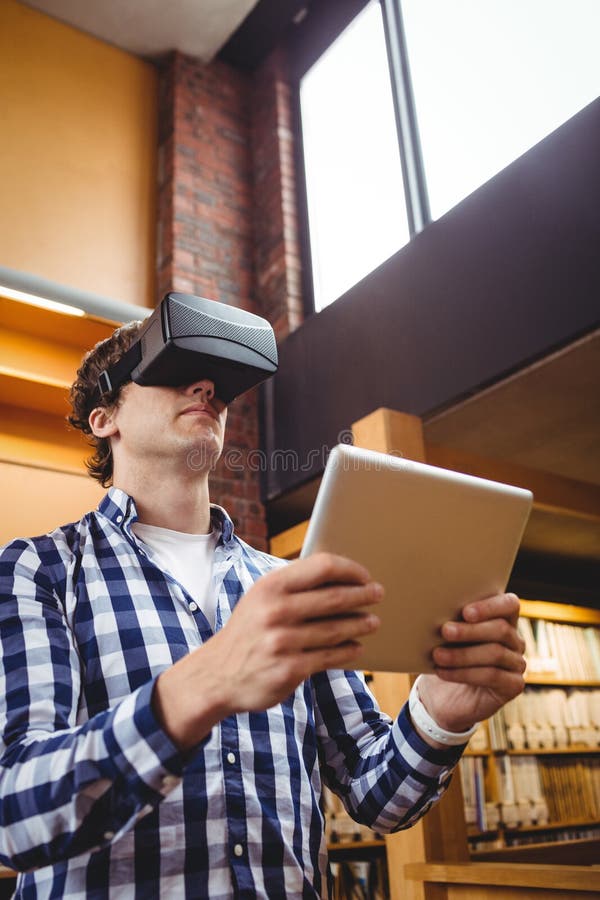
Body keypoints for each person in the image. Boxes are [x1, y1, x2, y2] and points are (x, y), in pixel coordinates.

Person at [0, 321, 526, 899]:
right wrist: (204, 684)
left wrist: (440, 714)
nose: (207, 388)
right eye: (174, 370)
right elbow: (13, 811)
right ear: (105, 418)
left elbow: (377, 797)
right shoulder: (41, 569)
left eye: (217, 382)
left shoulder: (286, 585)